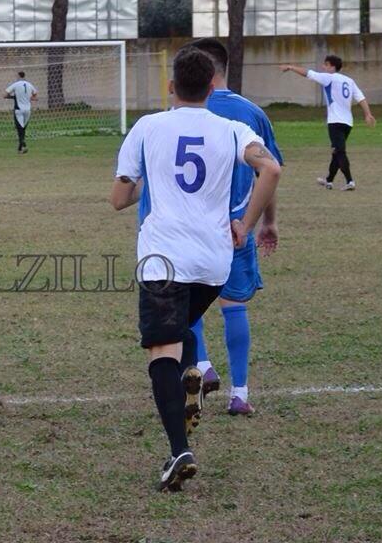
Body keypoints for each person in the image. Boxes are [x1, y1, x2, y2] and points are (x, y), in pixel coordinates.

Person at [110, 47, 281, 492]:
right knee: (183, 326)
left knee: (160, 351)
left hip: (164, 257)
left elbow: (118, 197)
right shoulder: (232, 128)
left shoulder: (149, 126)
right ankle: (191, 375)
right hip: (213, 259)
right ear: (211, 86)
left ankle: (178, 450)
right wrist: (244, 222)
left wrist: (151, 179)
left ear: (171, 88)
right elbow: (271, 169)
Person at [187, 38, 283, 416]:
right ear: (222, 70)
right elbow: (269, 171)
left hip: (192, 226)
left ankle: (206, 365)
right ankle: (239, 393)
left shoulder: (182, 111)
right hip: (236, 226)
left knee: (189, 302)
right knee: (233, 306)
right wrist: (266, 222)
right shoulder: (252, 113)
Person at [281, 56, 376, 191]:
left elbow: (308, 73)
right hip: (348, 122)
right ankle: (329, 180)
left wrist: (291, 67)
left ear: (332, 67)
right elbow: (361, 98)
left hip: (335, 122)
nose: (323, 68)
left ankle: (350, 181)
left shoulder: (329, 78)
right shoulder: (349, 80)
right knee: (336, 151)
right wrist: (368, 114)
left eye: (325, 65)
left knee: (340, 152)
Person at [4, 71, 38, 153]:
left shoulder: (16, 84)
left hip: (18, 109)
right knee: (23, 129)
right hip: (28, 110)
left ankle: (24, 145)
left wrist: (13, 97)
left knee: (19, 129)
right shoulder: (29, 84)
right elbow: (35, 95)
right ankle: (20, 149)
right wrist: (30, 98)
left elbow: (5, 95)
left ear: (19, 76)